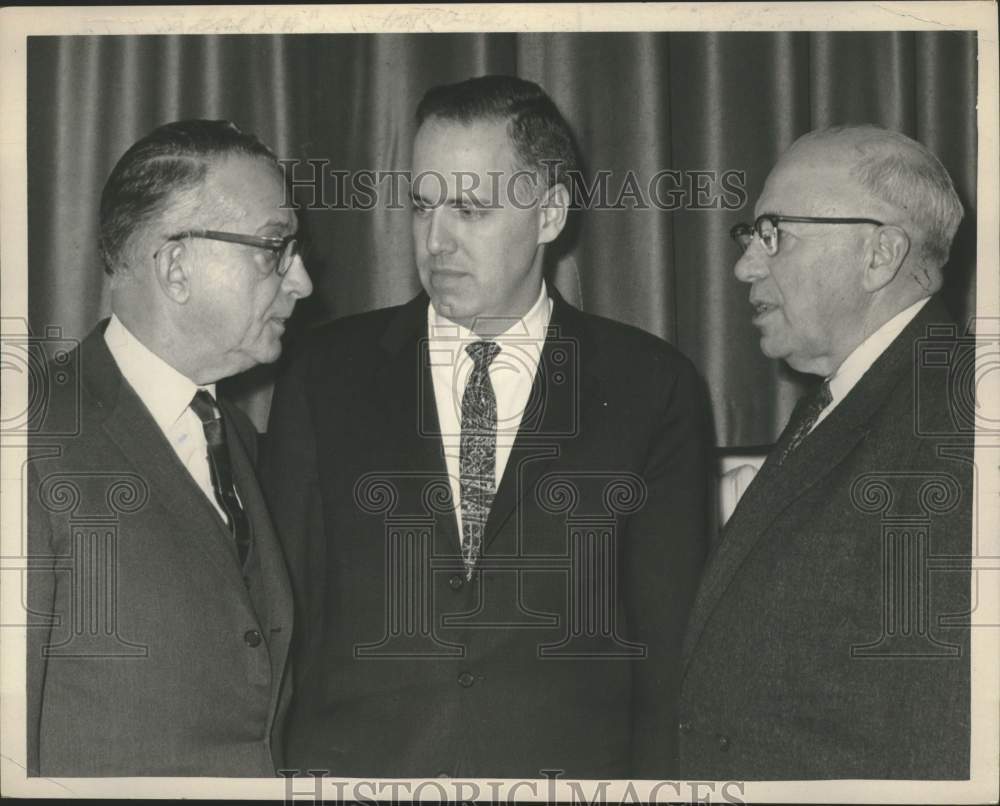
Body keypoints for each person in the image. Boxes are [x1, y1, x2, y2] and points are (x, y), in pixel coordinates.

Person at [263, 75, 710, 779]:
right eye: (421, 205)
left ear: (551, 212)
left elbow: (669, 661)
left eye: (470, 209)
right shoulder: (323, 374)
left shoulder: (652, 387)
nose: (436, 240)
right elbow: (282, 626)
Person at [678, 125, 972, 779]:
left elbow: (944, 737)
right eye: (750, 236)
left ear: (881, 254)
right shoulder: (856, 398)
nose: (745, 265)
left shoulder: (962, 424)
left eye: (775, 232)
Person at [26, 119, 313, 776]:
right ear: (176, 265)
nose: (301, 282)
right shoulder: (29, 439)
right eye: (274, 247)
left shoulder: (236, 437)